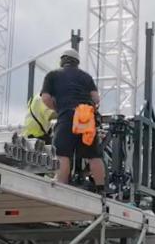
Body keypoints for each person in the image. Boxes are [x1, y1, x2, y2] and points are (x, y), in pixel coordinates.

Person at [40, 49, 106, 192]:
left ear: (62, 61)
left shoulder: (52, 75)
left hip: (67, 115)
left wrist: (58, 109)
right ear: (77, 63)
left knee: (62, 153)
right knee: (93, 154)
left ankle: (62, 186)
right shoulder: (86, 77)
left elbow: (45, 98)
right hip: (85, 115)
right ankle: (101, 188)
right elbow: (96, 99)